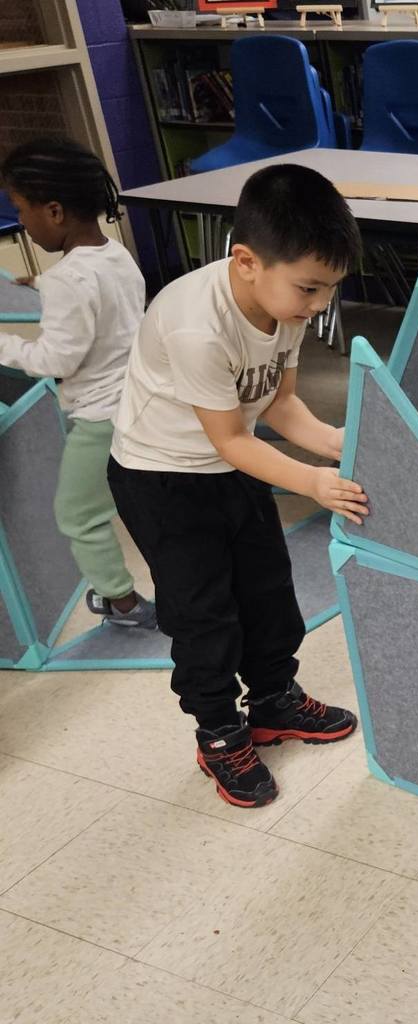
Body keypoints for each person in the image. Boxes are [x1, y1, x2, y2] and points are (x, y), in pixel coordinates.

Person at [107, 164, 368, 809]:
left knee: (268, 590)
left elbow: (280, 409)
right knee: (203, 611)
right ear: (247, 261)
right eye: (309, 289)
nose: (318, 306)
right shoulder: (198, 325)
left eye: (329, 290)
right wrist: (313, 481)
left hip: (232, 464)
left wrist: (345, 442)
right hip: (162, 476)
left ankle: (275, 698)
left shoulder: (289, 309)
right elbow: (231, 438)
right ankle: (220, 732)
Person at [0, 138, 156, 629]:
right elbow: (103, 304)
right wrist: (42, 284)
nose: (21, 221)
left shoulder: (69, 279)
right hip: (140, 402)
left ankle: (121, 603)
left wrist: (4, 344)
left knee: (77, 515)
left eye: (23, 211)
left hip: (100, 418)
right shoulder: (117, 255)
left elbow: (55, 359)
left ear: (55, 210)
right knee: (139, 504)